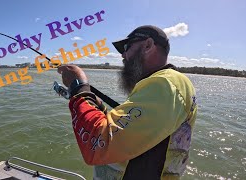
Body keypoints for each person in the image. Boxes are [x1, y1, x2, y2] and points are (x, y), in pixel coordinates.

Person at [57, 25, 197, 180]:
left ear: (148, 45)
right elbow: (131, 132)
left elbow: (99, 144)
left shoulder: (165, 84)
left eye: (126, 47)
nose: (122, 55)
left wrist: (79, 87)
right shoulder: (164, 84)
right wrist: (101, 109)